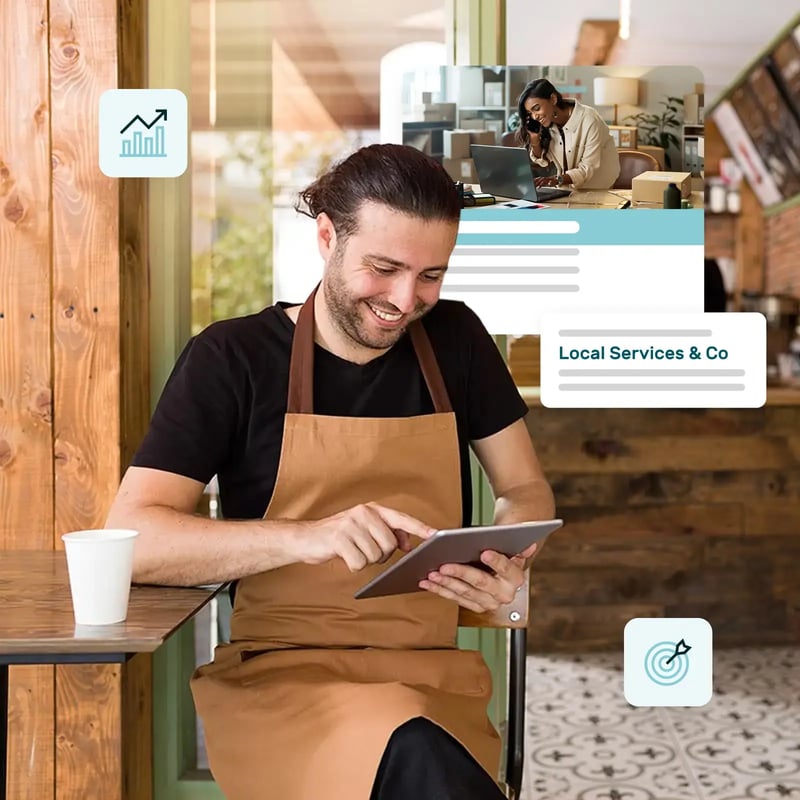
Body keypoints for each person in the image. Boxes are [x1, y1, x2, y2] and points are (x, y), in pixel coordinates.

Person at [105, 143, 555, 800]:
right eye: (385, 268)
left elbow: (524, 489)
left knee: (419, 748)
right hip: (286, 682)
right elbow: (135, 538)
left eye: (432, 274)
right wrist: (304, 536)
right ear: (326, 236)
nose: (406, 299)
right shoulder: (232, 359)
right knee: (419, 764)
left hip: (429, 678)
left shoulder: (456, 341)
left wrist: (510, 555)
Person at [516, 78, 620, 190]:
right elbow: (544, 162)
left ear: (553, 99)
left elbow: (587, 168)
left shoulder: (589, 119)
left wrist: (556, 180)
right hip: (566, 190)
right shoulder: (548, 124)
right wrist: (535, 142)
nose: (534, 116)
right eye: (530, 113)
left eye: (536, 108)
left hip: (597, 188)